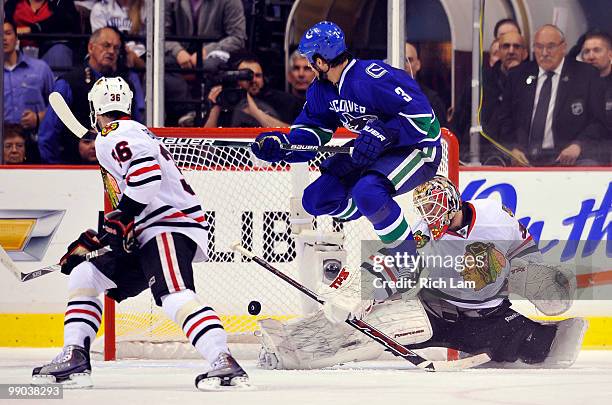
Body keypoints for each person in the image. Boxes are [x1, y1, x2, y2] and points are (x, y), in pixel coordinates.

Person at [31, 77, 250, 390]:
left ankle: (223, 360)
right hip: (149, 227)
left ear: (95, 108)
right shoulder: (130, 132)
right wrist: (102, 240)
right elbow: (134, 200)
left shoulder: (115, 134)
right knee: (86, 273)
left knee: (174, 295)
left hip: (167, 225)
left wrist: (120, 219)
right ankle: (76, 356)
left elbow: (146, 180)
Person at [257, 176, 586, 370]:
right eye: (424, 210)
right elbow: (395, 261)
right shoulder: (423, 232)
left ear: (452, 204)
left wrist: (534, 275)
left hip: (486, 317)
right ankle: (290, 346)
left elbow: (522, 245)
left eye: (433, 209)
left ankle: (538, 335)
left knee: (537, 348)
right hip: (433, 310)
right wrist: (361, 291)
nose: (428, 216)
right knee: (367, 329)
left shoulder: (494, 215)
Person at [251, 21, 441, 301]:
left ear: (320, 60)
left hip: (418, 149)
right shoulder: (321, 90)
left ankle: (409, 266)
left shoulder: (372, 77)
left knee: (368, 192)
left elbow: (425, 122)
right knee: (315, 199)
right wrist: (284, 146)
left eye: (309, 60)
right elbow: (312, 131)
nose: (309, 66)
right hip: (377, 149)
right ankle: (369, 207)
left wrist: (384, 133)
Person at [499, 25, 607, 166]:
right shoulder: (517, 75)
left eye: (551, 46)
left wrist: (578, 145)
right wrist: (512, 148)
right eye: (539, 47)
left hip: (569, 159)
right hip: (524, 158)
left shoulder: (586, 75)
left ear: (563, 47)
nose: (544, 53)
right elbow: (504, 120)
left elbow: (598, 122)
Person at [38, 27, 145, 163]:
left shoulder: (126, 85)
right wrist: (55, 170)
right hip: (73, 168)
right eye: (106, 45)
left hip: (117, 169)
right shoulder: (69, 82)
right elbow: (48, 134)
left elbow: (135, 129)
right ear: (90, 47)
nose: (111, 51)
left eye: (116, 48)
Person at [3, 19, 54, 163]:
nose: (4, 38)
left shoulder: (40, 68)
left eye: (7, 33)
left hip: (35, 141)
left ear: (16, 37)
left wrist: (39, 118)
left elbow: (58, 107)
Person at [204, 54, 303, 128]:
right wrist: (215, 109)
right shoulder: (226, 100)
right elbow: (203, 151)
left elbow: (297, 138)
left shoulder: (285, 101)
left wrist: (254, 111)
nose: (253, 80)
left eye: (258, 76)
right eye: (246, 77)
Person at [4, 0, 80, 71]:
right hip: (17, 53)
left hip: (49, 52)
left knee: (60, 51)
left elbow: (65, 21)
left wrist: (31, 29)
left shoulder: (62, 2)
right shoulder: (13, 3)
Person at [580, 30, 612, 164]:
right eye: (586, 52)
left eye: (597, 50)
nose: (590, 56)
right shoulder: (575, 86)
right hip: (585, 153)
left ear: (610, 54)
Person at [90, 0, 146, 69]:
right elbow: (100, 41)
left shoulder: (146, 8)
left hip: (140, 56)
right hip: (112, 54)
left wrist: (134, 58)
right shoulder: (100, 8)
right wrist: (123, 51)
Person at [404, 42, 447, 127]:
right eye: (401, 60)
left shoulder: (432, 100)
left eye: (409, 60)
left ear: (418, 65)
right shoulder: (382, 96)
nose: (405, 65)